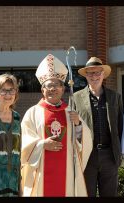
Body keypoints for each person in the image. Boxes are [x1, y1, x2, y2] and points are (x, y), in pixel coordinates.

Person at [20, 54, 93, 196]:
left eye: (57, 85)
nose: (53, 89)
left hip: (66, 172)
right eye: (49, 85)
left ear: (63, 89)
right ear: (42, 90)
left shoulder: (71, 113)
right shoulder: (33, 113)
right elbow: (24, 142)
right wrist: (42, 144)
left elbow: (84, 143)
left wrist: (78, 125)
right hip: (41, 170)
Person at [73, 57, 123, 197]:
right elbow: (73, 129)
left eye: (97, 73)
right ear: (86, 76)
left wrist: (118, 152)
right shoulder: (75, 98)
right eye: (90, 73)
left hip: (109, 155)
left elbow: (120, 127)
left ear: (103, 74)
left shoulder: (115, 97)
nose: (94, 76)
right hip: (87, 155)